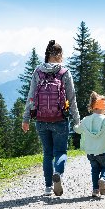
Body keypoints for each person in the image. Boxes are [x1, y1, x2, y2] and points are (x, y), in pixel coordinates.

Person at [22, 40, 80, 196]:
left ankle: (48, 187)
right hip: (60, 119)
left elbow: (31, 97)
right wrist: (77, 121)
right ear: (59, 55)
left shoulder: (38, 72)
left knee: (47, 153)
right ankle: (58, 174)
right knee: (60, 151)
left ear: (47, 55)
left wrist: (26, 118)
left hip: (41, 120)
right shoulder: (64, 72)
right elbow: (72, 98)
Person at [74, 91, 105, 197]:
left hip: (90, 152)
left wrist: (75, 126)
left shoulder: (86, 120)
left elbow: (78, 130)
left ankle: (95, 190)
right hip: (103, 151)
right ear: (103, 108)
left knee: (94, 170)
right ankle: (103, 179)